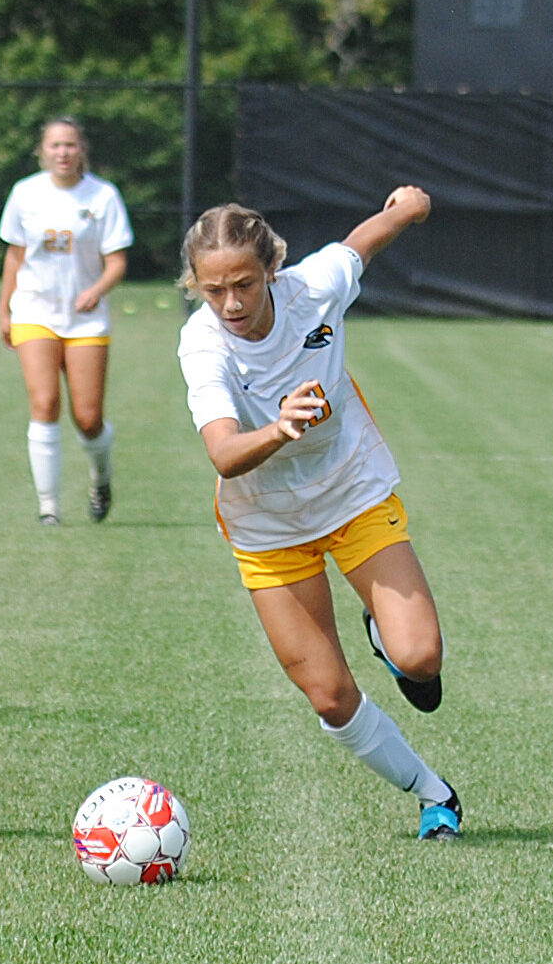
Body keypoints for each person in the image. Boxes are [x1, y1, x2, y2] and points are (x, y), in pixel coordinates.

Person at [176, 190, 462, 841]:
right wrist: (277, 428)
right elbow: (222, 453)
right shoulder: (202, 346)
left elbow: (363, 241)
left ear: (271, 267)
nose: (231, 304)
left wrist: (405, 209)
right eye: (213, 290)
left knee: (420, 658)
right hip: (267, 526)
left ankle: (385, 634)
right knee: (330, 696)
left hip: (351, 491)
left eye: (243, 284)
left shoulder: (315, 288)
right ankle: (433, 792)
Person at [0, 117, 132, 525]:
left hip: (85, 320)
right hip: (35, 311)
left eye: (70, 145)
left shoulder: (104, 196)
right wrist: (5, 309)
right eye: (55, 145)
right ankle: (48, 507)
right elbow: (15, 255)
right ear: (42, 151)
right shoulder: (25, 193)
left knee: (88, 418)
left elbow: (118, 261)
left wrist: (97, 290)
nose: (63, 153)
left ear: (82, 150)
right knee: (45, 402)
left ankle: (101, 478)